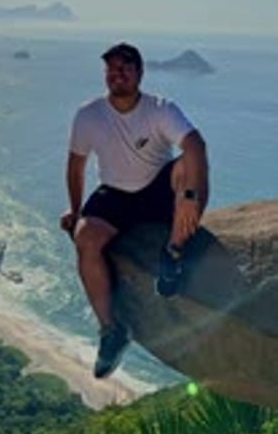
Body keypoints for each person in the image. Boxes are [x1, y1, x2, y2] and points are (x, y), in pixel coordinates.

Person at [60, 42, 209, 380]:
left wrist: (187, 197)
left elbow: (194, 144)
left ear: (139, 74)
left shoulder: (159, 108)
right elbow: (75, 166)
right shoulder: (89, 115)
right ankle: (111, 331)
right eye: (112, 68)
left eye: (126, 68)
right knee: (85, 239)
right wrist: (74, 210)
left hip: (156, 190)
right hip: (113, 195)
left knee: (188, 164)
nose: (118, 74)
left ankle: (173, 252)